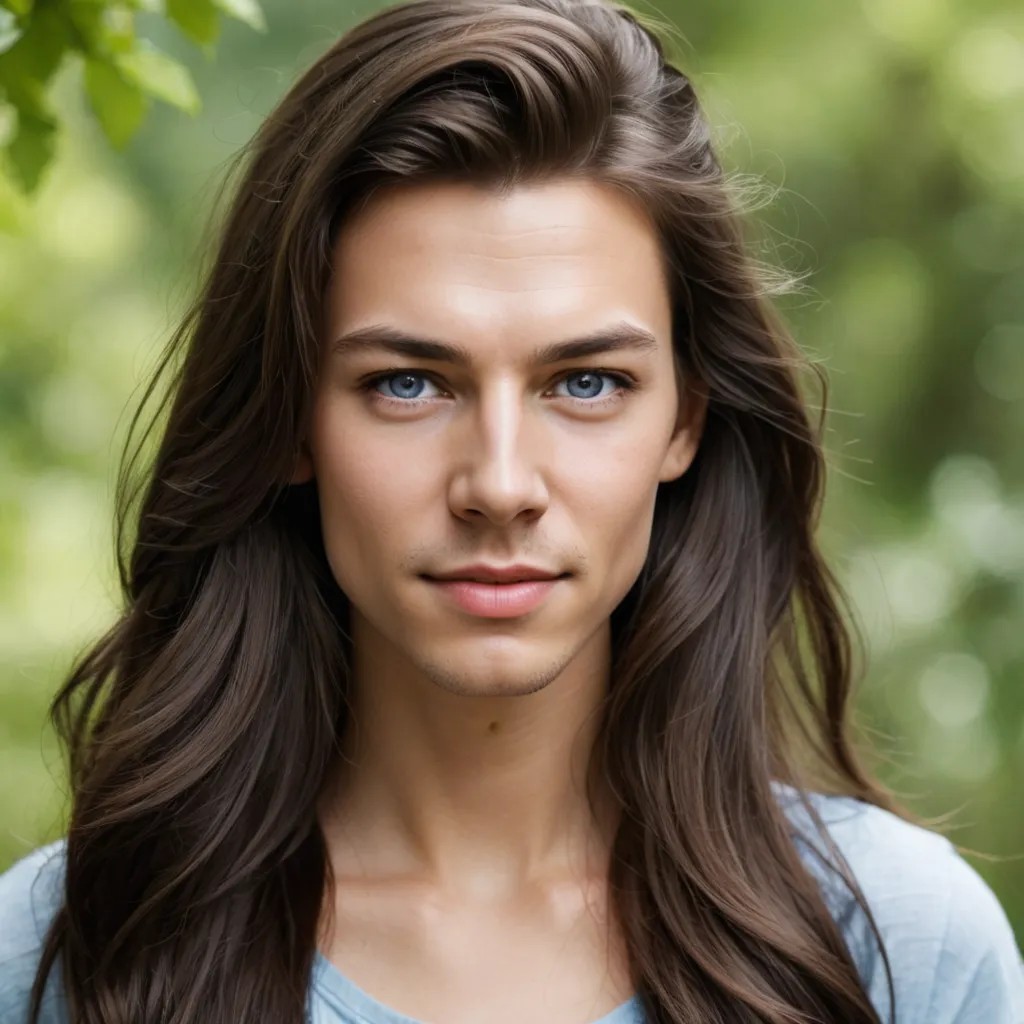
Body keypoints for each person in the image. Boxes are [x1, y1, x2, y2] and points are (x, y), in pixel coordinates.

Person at [2, 0, 1022, 1021]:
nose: (498, 483)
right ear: (291, 421)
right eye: (408, 383)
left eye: (585, 383)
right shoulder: (68, 948)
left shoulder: (897, 949)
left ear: (685, 421)